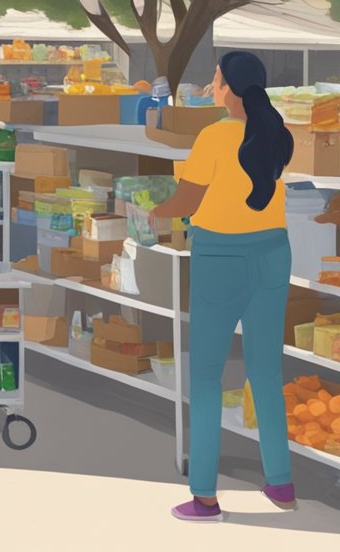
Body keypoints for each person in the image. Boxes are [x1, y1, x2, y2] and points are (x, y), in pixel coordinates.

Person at [151, 51, 295, 523]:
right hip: (273, 254)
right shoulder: (278, 133)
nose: (212, 89)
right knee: (266, 373)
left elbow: (187, 200)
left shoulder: (214, 136)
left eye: (215, 81)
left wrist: (154, 213)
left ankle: (205, 497)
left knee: (208, 378)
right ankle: (281, 484)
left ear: (231, 88)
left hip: (220, 257)